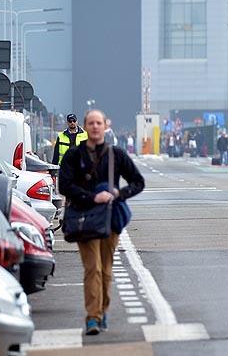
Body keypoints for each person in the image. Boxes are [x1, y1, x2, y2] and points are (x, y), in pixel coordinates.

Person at [58, 110, 145, 335]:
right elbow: (64, 186)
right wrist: (91, 197)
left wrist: (119, 194)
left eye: (99, 123)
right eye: (91, 123)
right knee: (92, 268)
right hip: (84, 219)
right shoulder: (74, 156)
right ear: (85, 126)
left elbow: (138, 182)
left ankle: (102, 309)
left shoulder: (116, 154)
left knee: (106, 270)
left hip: (109, 219)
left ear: (105, 126)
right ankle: (93, 318)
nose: (95, 126)